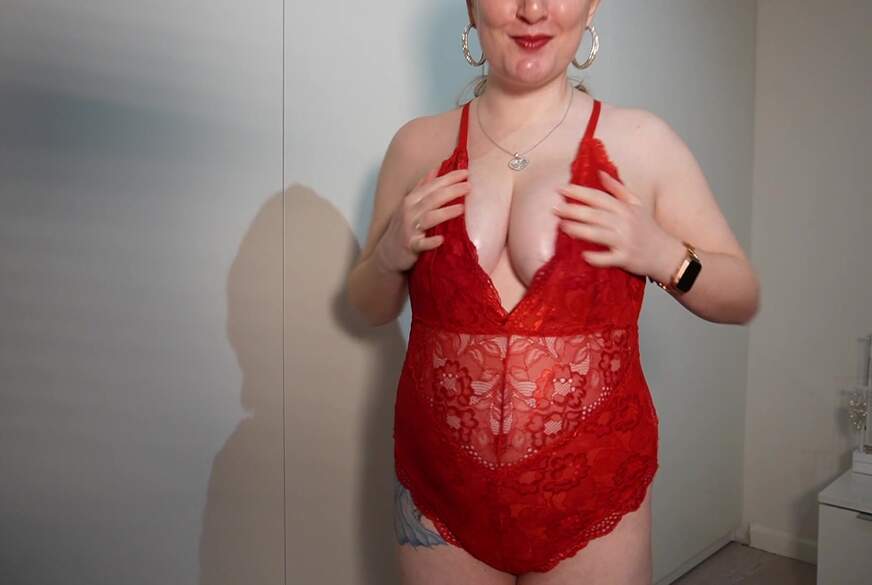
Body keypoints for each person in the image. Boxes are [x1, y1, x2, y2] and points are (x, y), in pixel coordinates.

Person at [346, 0, 760, 583]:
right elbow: (369, 307)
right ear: (472, 8)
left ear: (591, 9)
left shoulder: (641, 142)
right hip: (439, 488)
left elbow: (742, 295)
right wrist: (390, 255)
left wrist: (665, 254)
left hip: (592, 487)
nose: (533, 9)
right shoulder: (417, 145)